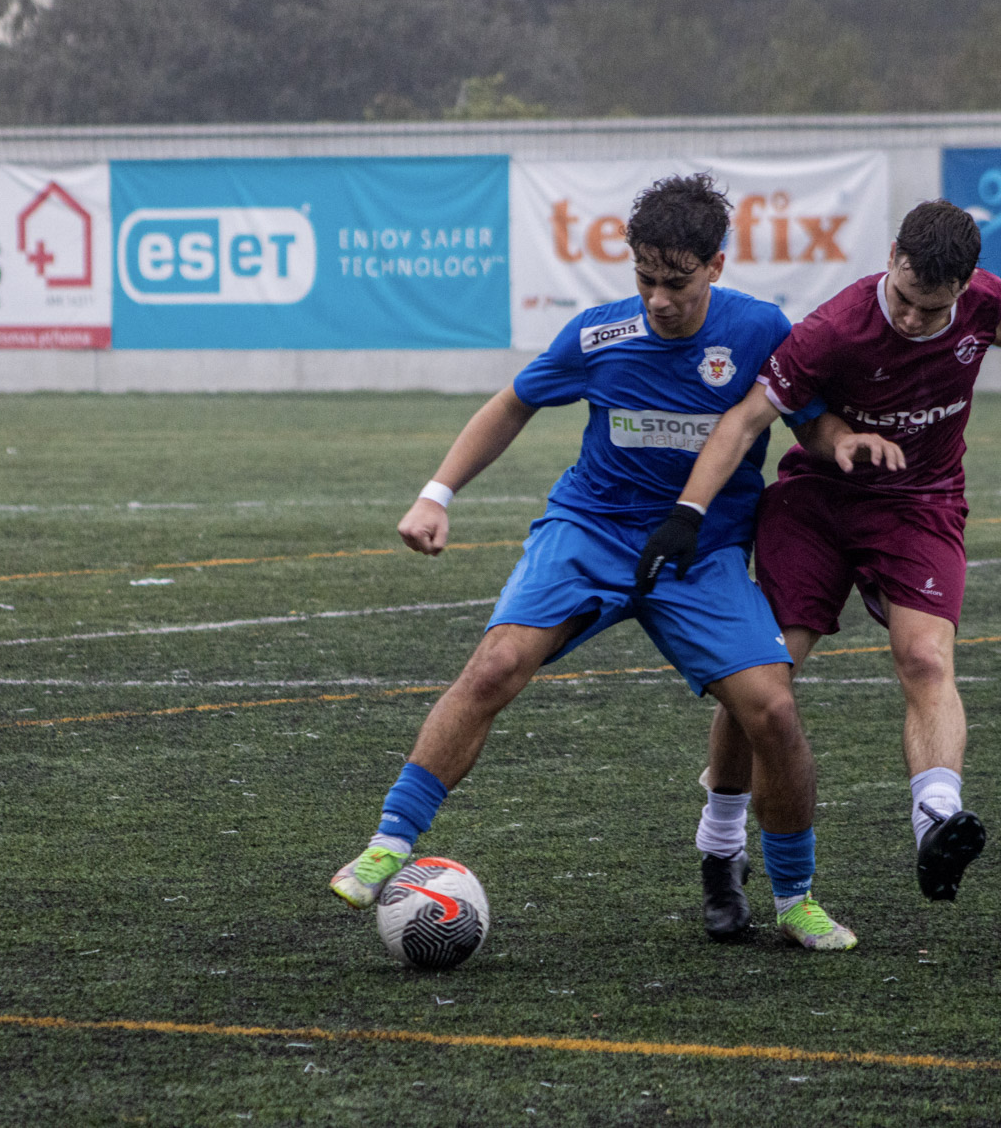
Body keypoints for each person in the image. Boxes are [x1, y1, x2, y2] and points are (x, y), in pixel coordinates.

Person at [330, 174, 859, 951]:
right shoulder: (598, 335)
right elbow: (513, 402)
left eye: (676, 283)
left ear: (716, 264)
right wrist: (436, 493)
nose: (658, 299)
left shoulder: (761, 330)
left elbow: (808, 420)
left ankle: (795, 896)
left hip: (701, 552)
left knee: (772, 711)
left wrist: (840, 443)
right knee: (494, 665)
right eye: (644, 279)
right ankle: (391, 839)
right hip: (590, 531)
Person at [636, 200, 1001, 919]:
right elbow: (747, 419)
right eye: (906, 300)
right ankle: (721, 849)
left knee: (926, 659)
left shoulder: (979, 299)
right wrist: (689, 512)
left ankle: (937, 819)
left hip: (923, 503)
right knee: (761, 676)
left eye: (931, 308)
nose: (913, 319)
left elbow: (994, 319)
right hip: (818, 502)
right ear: (892, 258)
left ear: (965, 284)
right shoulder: (832, 328)